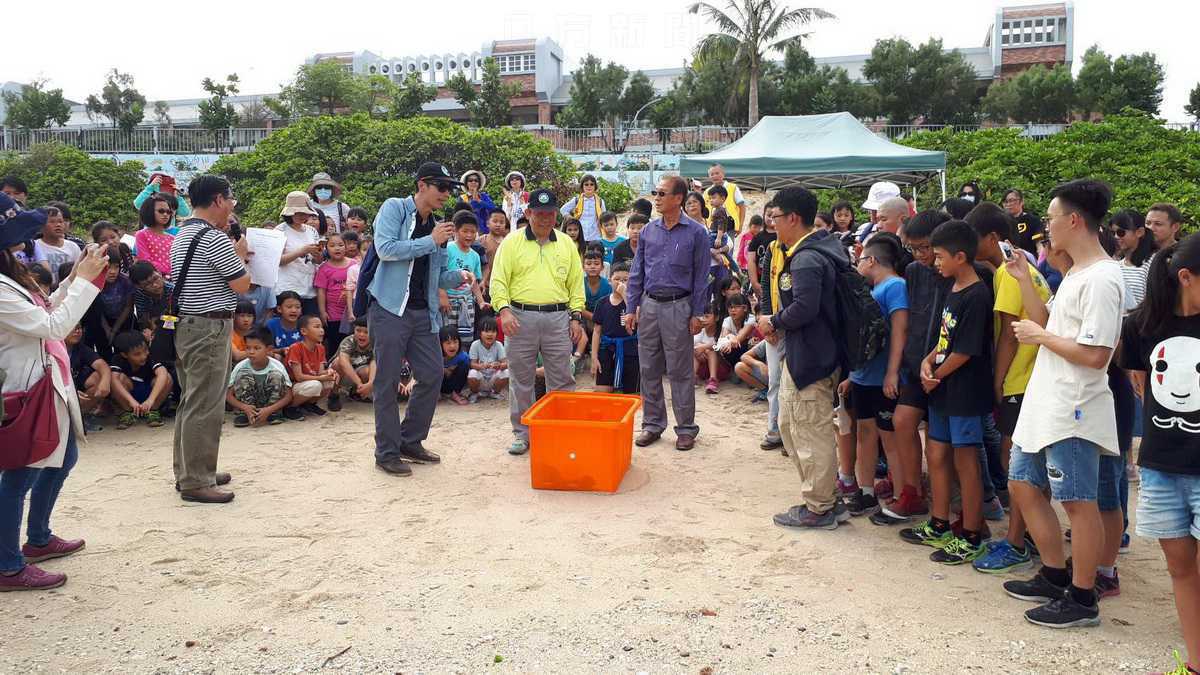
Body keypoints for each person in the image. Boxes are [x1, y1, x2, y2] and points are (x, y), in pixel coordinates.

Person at [1002, 179, 1124, 629]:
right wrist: (1022, 281)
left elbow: (1096, 355)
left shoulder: (1104, 278)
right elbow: (1048, 320)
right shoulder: (1076, 272)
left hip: (1075, 405)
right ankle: (1054, 574)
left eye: (1050, 217)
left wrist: (1040, 337)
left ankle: (1082, 595)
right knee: (1022, 484)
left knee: (1077, 501)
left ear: (1074, 220)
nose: (1045, 225)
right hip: (1047, 401)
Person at [0, 196, 107, 591]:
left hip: (43, 384)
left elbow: (46, 308)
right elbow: (53, 326)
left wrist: (76, 276)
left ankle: (39, 540)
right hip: (26, 390)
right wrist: (83, 281)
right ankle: (9, 565)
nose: (25, 241)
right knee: (18, 476)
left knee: (62, 458)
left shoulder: (12, 275)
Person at [1116, 234, 1200, 675]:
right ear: (1186, 277)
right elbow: (1141, 383)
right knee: (1180, 569)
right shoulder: (1141, 326)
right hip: (1163, 466)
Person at [364, 162, 473, 477]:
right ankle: (386, 451)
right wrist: (431, 240)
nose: (446, 194)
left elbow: (436, 274)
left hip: (422, 312)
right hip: (388, 308)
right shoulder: (395, 208)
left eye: (449, 188)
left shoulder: (438, 225)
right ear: (422, 185)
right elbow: (385, 249)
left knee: (432, 373)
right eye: (441, 187)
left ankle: (409, 440)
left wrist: (459, 276)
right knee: (385, 382)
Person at [896, 220, 993, 564]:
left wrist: (934, 373)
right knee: (936, 455)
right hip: (940, 388)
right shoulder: (952, 287)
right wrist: (927, 362)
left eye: (939, 256)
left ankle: (971, 533)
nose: (934, 263)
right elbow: (944, 340)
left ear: (961, 256)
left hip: (963, 392)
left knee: (966, 463)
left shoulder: (978, 294)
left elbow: (965, 351)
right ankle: (939, 522)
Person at [757, 187, 846, 529]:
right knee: (791, 425)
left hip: (813, 356)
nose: (773, 224)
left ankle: (820, 507)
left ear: (793, 218)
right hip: (806, 353)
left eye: (776, 217)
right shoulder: (813, 249)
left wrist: (774, 321)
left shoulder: (807, 258)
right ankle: (824, 496)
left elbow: (805, 308)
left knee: (810, 431)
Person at [169, 174, 249, 504]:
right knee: (205, 403)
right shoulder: (214, 239)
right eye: (229, 199)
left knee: (192, 399)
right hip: (209, 327)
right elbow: (242, 284)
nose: (231, 206)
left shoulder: (182, 234)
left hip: (188, 325)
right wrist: (241, 253)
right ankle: (196, 480)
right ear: (217, 200)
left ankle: (190, 470)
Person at [490, 188, 586, 454]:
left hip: (558, 318)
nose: (545, 219)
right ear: (529, 213)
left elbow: (576, 284)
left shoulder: (566, 243)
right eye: (539, 213)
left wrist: (576, 316)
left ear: (556, 214)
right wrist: (504, 311)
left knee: (563, 378)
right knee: (521, 379)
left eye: (550, 213)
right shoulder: (512, 242)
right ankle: (522, 433)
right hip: (519, 318)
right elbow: (498, 280)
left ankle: (561, 429)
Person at [625, 176, 710, 452]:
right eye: (655, 193)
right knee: (648, 367)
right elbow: (637, 272)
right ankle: (652, 424)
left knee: (680, 370)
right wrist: (630, 309)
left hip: (679, 306)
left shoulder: (697, 233)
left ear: (678, 198)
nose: (657, 197)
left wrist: (697, 312)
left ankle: (685, 429)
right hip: (649, 306)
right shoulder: (649, 231)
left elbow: (701, 277)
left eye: (662, 193)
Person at [841, 233, 908, 519]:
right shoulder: (874, 287)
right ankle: (866, 492)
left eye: (859, 259)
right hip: (863, 376)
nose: (857, 264)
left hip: (882, 378)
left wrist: (892, 373)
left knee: (889, 438)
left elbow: (900, 332)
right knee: (865, 433)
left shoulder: (895, 287)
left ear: (871, 260)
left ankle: (901, 496)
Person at [226, 325, 292, 427]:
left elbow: (288, 395)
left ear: (269, 349)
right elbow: (228, 395)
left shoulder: (277, 366)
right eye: (248, 348)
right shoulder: (241, 366)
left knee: (276, 375)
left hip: (271, 406)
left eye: (257, 348)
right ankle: (245, 414)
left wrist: (269, 410)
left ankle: (274, 414)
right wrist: (245, 407)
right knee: (243, 374)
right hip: (247, 405)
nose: (251, 352)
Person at [108, 330, 172, 429]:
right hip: (130, 397)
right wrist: (131, 401)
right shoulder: (117, 359)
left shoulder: (151, 356)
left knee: (167, 377)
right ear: (125, 355)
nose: (143, 356)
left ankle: (153, 412)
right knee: (115, 378)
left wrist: (151, 400)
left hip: (152, 395)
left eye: (145, 350)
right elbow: (114, 379)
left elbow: (162, 373)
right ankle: (127, 412)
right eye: (137, 354)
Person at [591, 260, 638, 394]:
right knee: (602, 392)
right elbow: (596, 331)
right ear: (610, 280)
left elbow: (639, 318)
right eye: (617, 279)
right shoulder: (602, 302)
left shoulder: (635, 301)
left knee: (631, 395)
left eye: (625, 279)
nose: (621, 283)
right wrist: (594, 357)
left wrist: (625, 295)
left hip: (630, 350)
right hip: (607, 349)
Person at [275, 191, 322, 317]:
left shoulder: (311, 231)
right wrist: (301, 251)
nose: (303, 216)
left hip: (309, 288)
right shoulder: (280, 230)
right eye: (298, 213)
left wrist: (317, 254)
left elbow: (317, 261)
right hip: (287, 288)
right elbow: (277, 261)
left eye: (305, 213)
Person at [444, 210, 488, 344]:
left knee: (465, 338)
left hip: (467, 301)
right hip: (449, 301)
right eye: (465, 231)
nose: (469, 235)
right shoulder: (448, 249)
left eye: (473, 232)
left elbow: (474, 282)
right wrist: (443, 296)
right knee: (447, 336)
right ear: (456, 231)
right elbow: (439, 275)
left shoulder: (475, 255)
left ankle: (464, 363)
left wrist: (480, 302)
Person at [83, 249, 134, 359]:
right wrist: (107, 330)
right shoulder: (94, 283)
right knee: (104, 346)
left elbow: (128, 307)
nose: (112, 271)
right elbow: (97, 310)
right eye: (108, 267)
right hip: (102, 320)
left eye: (116, 267)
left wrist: (115, 330)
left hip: (123, 320)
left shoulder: (125, 281)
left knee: (122, 349)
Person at [285, 315, 339, 416]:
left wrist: (330, 372)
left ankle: (309, 404)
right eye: (317, 327)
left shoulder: (320, 348)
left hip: (310, 381)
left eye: (322, 327)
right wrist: (321, 378)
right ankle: (291, 407)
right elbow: (299, 377)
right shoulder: (296, 348)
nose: (322, 330)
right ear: (304, 331)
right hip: (294, 385)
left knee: (331, 380)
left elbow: (320, 372)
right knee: (315, 385)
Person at [314, 232, 354, 358]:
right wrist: (322, 311)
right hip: (333, 314)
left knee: (350, 342)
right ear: (326, 248)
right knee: (335, 342)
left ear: (346, 247)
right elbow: (321, 291)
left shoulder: (354, 265)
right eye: (332, 245)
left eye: (340, 245)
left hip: (350, 312)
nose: (337, 248)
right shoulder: (324, 268)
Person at [66, 324, 110, 432]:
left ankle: (80, 417)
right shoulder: (51, 347)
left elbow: (102, 365)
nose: (77, 331)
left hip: (76, 390)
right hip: (58, 391)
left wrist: (105, 382)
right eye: (72, 327)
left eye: (79, 328)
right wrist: (70, 391)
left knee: (99, 377)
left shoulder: (80, 348)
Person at [1110, 209, 1154, 313]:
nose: (1116, 237)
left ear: (1139, 232)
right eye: (1113, 232)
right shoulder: (1115, 266)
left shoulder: (1152, 263)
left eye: (1121, 232)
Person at [31, 205, 81, 287]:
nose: (58, 225)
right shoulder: (35, 246)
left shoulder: (73, 247)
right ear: (41, 226)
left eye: (60, 221)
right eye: (52, 221)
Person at [333, 316, 376, 402]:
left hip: (358, 371)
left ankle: (356, 393)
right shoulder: (349, 341)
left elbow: (374, 362)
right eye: (358, 330)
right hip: (340, 374)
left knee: (368, 371)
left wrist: (370, 383)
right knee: (338, 362)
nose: (361, 334)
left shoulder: (375, 342)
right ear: (354, 330)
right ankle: (333, 394)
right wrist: (359, 382)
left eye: (366, 332)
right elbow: (343, 361)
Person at [467, 317, 509, 402]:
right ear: (480, 333)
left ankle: (495, 392)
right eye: (486, 331)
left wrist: (499, 366)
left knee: (506, 372)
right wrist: (481, 366)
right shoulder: (475, 344)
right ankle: (475, 393)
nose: (490, 334)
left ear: (497, 333)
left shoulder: (498, 345)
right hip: (481, 378)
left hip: (493, 378)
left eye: (493, 331)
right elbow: (472, 364)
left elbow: (506, 364)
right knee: (472, 373)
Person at [134, 194, 177, 277]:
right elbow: (145, 260)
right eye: (161, 211)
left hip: (174, 279)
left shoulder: (172, 238)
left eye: (169, 212)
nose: (165, 214)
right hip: (153, 280)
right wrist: (169, 270)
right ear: (149, 211)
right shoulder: (142, 234)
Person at [560, 174, 606, 242]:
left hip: (596, 237)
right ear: (582, 186)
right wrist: (572, 219)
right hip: (580, 236)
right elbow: (563, 210)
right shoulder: (576, 200)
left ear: (595, 186)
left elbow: (604, 218)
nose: (589, 186)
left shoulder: (600, 201)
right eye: (586, 184)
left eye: (591, 184)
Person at [692, 303, 726, 391]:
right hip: (703, 368)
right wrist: (698, 350)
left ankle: (713, 380)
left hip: (720, 368)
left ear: (716, 318)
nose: (703, 320)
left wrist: (704, 347)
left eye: (707, 316)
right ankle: (692, 377)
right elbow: (692, 345)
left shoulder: (721, 331)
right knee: (696, 350)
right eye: (702, 317)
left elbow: (720, 346)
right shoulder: (700, 331)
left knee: (710, 350)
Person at [704, 164, 747, 233]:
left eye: (717, 173)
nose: (714, 176)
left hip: (730, 227)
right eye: (712, 174)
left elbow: (742, 207)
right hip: (712, 228)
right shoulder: (706, 192)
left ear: (723, 174)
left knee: (727, 244)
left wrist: (740, 226)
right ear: (709, 177)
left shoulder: (733, 188)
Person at [1002, 189, 1045, 256]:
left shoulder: (1033, 220)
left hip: (1029, 260)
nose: (1008, 204)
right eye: (1005, 202)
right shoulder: (1002, 223)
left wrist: (1041, 260)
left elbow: (1039, 244)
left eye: (1011, 200)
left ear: (1021, 202)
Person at [130, 261, 173, 325]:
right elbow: (143, 318)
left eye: (155, 278)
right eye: (147, 284)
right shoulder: (139, 294)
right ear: (139, 286)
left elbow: (177, 317)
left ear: (159, 272)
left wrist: (158, 320)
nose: (155, 285)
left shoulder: (172, 290)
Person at [266, 291, 304, 361]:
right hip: (277, 363)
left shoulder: (305, 325)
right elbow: (265, 350)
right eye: (289, 307)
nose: (294, 310)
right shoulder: (271, 325)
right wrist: (281, 351)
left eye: (297, 307)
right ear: (279, 309)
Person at [456, 170, 497, 234]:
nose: (473, 182)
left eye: (476, 180)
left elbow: (494, 209)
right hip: (468, 231)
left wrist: (479, 201)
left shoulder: (484, 196)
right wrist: (473, 201)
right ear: (466, 183)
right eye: (470, 180)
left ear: (479, 183)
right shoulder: (462, 198)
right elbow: (460, 215)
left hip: (484, 230)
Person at [438, 326, 470, 405]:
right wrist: (444, 369)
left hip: (453, 383)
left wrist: (453, 369)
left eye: (455, 342)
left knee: (465, 364)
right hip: (439, 384)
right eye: (448, 343)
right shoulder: (435, 356)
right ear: (440, 344)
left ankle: (455, 393)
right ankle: (435, 394)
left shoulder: (462, 356)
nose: (452, 346)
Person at [480, 209, 510, 292]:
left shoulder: (509, 242)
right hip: (485, 286)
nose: (498, 225)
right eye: (495, 221)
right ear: (487, 223)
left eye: (501, 222)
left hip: (504, 287)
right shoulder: (482, 241)